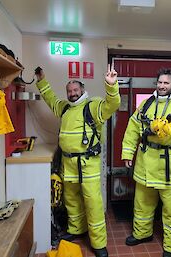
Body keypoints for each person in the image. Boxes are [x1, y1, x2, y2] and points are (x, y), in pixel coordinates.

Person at [35, 65, 120, 257]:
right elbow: (50, 100)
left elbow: (112, 105)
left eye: (75, 90)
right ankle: (76, 229)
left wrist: (111, 85)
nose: (72, 94)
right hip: (68, 164)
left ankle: (99, 244)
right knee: (71, 200)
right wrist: (41, 81)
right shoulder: (64, 108)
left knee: (93, 203)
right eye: (69, 91)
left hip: (88, 164)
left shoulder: (93, 106)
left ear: (82, 90)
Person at [122, 68, 171, 257]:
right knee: (142, 205)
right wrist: (127, 153)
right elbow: (133, 128)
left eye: (166, 83)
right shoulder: (147, 104)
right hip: (145, 165)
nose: (162, 86)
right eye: (159, 82)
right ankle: (142, 234)